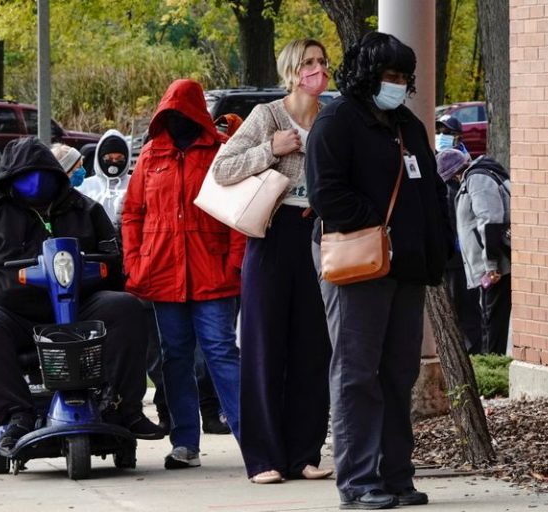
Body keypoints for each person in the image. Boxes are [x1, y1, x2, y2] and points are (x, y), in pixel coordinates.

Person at [305, 32, 451, 509]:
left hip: (406, 267)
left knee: (398, 372)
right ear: (368, 74)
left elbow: (429, 193)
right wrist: (379, 225)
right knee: (356, 373)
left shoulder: (407, 124)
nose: (399, 83)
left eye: (404, 76)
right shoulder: (336, 121)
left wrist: (434, 253)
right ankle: (359, 481)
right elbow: (328, 195)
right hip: (357, 263)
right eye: (391, 75)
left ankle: (395, 475)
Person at [0, 136, 163, 456]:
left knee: (125, 307)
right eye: (27, 176)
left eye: (44, 174)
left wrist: (95, 273)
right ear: (10, 179)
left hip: (79, 307)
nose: (37, 183)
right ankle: (16, 416)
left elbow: (114, 262)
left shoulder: (84, 208)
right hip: (15, 313)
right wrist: (2, 289)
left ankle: (122, 407)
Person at [210, 38, 334, 484]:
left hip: (316, 237)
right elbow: (222, 169)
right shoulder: (268, 116)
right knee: (263, 347)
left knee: (312, 348)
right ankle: (263, 459)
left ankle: (305, 451)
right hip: (269, 235)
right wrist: (272, 150)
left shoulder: (330, 118)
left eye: (321, 62)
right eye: (308, 63)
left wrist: (324, 204)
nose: (317, 70)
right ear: (290, 70)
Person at [122, 78, 245, 469]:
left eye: (182, 111)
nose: (176, 119)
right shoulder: (149, 155)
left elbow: (238, 213)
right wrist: (136, 264)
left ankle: (252, 439)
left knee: (221, 353)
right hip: (163, 273)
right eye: (169, 112)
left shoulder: (220, 152)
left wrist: (234, 263)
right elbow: (133, 213)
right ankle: (185, 443)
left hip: (213, 272)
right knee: (174, 358)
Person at [439, 149, 512, 355]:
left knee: (492, 321)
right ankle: (491, 360)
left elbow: (489, 220)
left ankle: (492, 363)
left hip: (495, 267)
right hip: (490, 264)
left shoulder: (477, 179)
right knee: (488, 318)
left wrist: (491, 265)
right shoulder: (474, 177)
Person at [436, 149, 483, 354]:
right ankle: (475, 350)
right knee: (469, 310)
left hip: (454, 262)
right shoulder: (457, 190)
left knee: (463, 310)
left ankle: (472, 350)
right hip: (460, 262)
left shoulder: (449, 190)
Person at [78, 129, 131, 231]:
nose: (114, 163)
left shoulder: (134, 184)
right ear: (99, 158)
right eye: (108, 159)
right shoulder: (84, 187)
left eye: (120, 159)